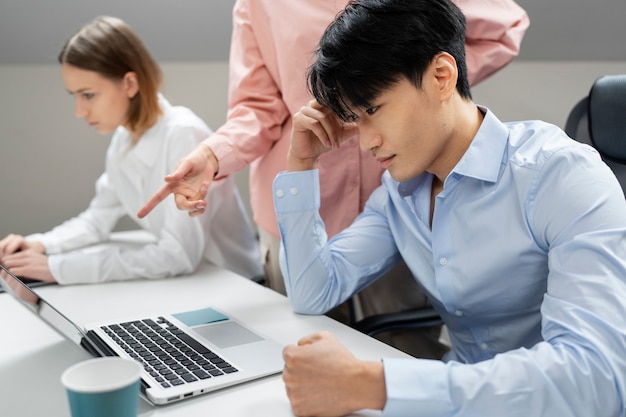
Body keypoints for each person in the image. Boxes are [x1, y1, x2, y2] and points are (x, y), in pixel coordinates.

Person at [274, 0, 626, 415]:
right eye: (354, 117)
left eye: (372, 109)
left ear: (442, 76)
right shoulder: (398, 197)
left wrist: (373, 385)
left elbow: (597, 376)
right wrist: (301, 164)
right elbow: (313, 291)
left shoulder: (559, 175)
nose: (366, 141)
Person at [137, 0, 529, 358]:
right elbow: (256, 106)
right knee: (300, 347)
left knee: (406, 349)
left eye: (369, 107)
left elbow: (504, 26)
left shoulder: (543, 174)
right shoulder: (260, 5)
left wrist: (412, 80)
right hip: (308, 200)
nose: (362, 127)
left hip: (397, 190)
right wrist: (213, 153)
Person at [0, 16, 262, 285]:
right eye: (74, 95)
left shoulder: (184, 134)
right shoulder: (123, 138)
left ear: (129, 84)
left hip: (232, 283)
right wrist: (39, 245)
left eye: (88, 95)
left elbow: (178, 255)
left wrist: (61, 268)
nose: (79, 111)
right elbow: (97, 219)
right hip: (190, 283)